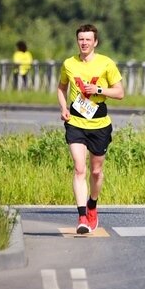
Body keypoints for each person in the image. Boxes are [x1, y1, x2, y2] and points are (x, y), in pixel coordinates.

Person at [56, 24, 124, 234]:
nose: (84, 43)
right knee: (79, 169)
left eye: (88, 40)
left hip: (100, 124)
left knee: (95, 171)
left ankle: (93, 204)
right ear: (77, 41)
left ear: (95, 42)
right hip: (76, 122)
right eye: (81, 39)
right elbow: (61, 87)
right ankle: (82, 216)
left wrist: (98, 89)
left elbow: (120, 93)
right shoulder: (69, 63)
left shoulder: (106, 63)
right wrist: (63, 107)